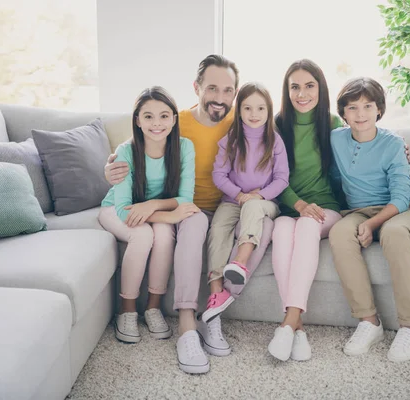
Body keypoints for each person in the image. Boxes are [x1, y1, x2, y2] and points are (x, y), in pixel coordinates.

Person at [104, 55, 274, 366]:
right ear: (196, 87)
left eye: (227, 90)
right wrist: (111, 164)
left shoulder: (243, 121)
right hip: (188, 208)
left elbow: (273, 145)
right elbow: (137, 143)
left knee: (262, 226)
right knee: (194, 225)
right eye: (212, 88)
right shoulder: (176, 120)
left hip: (229, 207)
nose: (219, 98)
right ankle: (186, 327)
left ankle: (215, 311)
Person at [98, 86, 209, 373]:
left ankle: (153, 307)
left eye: (163, 116)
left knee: (161, 234)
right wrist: (168, 216)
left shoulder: (184, 147)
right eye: (148, 116)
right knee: (145, 233)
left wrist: (152, 207)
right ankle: (128, 311)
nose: (156, 123)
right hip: (116, 210)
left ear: (174, 118)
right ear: (137, 120)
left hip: (146, 210)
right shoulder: (126, 151)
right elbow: (124, 210)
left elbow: (185, 197)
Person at [328, 77, 410, 363]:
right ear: (342, 113)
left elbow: (400, 198)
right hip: (358, 209)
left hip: (402, 210)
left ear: (379, 109)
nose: (361, 114)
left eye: (368, 106)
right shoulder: (335, 138)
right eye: (353, 107)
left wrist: (371, 225)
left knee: (393, 234)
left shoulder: (393, 143)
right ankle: (369, 322)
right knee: (339, 234)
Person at [267, 59, 344, 362]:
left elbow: (364, 144)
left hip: (327, 209)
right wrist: (297, 204)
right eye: (295, 87)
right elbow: (271, 175)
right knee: (283, 230)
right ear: (286, 91)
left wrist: (400, 146)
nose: (302, 93)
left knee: (308, 226)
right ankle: (297, 330)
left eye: (309, 86)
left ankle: (287, 323)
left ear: (320, 88)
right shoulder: (276, 124)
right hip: (289, 209)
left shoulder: (334, 123)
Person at [202, 82, 289, 323]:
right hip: (233, 200)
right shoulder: (230, 140)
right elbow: (219, 175)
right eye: (248, 108)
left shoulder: (275, 142)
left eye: (261, 109)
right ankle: (216, 291)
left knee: (252, 207)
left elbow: (282, 179)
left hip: (265, 202)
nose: (254, 114)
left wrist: (258, 196)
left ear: (269, 111)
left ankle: (240, 263)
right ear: (238, 110)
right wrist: (239, 195)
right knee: (218, 227)